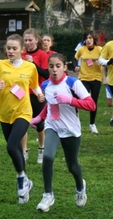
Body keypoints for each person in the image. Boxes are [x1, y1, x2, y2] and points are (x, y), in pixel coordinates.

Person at [0, 34, 45, 204]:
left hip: (24, 112)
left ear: (21, 50)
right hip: (4, 113)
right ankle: (26, 183)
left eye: (14, 48)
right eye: (8, 48)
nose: (10, 51)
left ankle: (21, 180)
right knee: (16, 148)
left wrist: (39, 95)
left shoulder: (29, 67)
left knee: (11, 146)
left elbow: (34, 85)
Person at [31, 53, 96, 212]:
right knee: (47, 157)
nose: (54, 70)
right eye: (51, 66)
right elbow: (50, 106)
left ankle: (80, 187)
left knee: (72, 165)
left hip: (71, 130)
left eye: (58, 66)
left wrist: (70, 100)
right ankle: (48, 194)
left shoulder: (73, 83)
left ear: (64, 67)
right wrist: (39, 118)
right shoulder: (45, 85)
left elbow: (91, 105)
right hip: (52, 126)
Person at [21, 28, 49, 163]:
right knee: (22, 123)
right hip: (22, 94)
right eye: (25, 40)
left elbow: (46, 74)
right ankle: (24, 151)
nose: (28, 43)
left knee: (39, 124)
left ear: (36, 40)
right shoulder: (21, 54)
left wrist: (33, 64)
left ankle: (41, 149)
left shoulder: (43, 55)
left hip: (38, 94)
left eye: (30, 40)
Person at [74, 31, 106, 134]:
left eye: (90, 38)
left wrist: (100, 62)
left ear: (94, 40)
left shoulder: (100, 49)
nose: (88, 40)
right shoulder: (82, 49)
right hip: (84, 78)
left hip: (96, 78)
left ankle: (92, 124)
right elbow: (75, 58)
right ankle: (75, 122)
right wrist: (76, 66)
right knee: (78, 100)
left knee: (93, 102)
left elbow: (105, 61)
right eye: (86, 38)